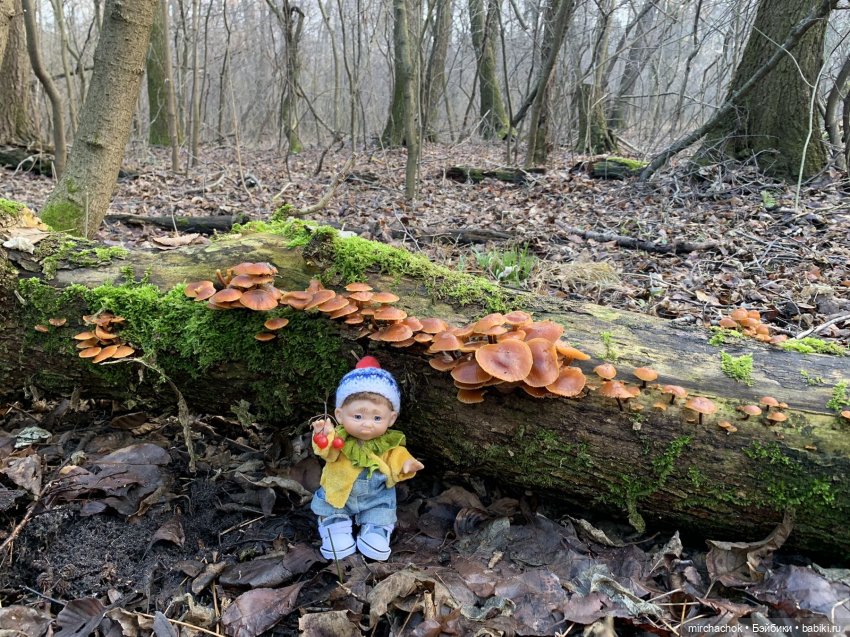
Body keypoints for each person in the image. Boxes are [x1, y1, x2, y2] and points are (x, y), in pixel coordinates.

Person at [310, 356, 424, 561]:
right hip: (339, 494)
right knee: (332, 505)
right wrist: (323, 436)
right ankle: (335, 525)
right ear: (339, 415)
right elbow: (327, 452)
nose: (367, 424)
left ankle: (376, 529)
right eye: (358, 416)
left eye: (377, 418)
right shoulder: (339, 439)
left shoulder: (387, 442)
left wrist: (407, 464)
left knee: (381, 508)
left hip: (375, 498)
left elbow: (397, 455)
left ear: (391, 418)